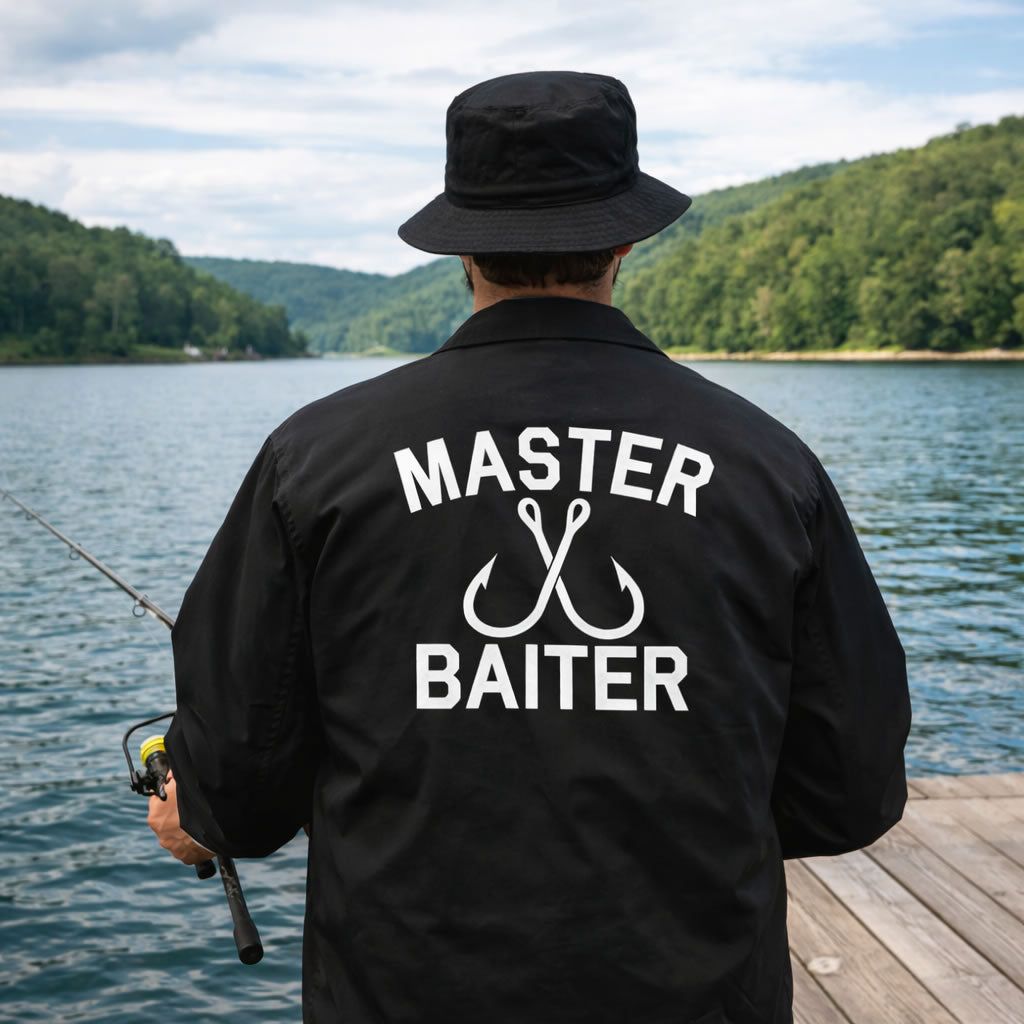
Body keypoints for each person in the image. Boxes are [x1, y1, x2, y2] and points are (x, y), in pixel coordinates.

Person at [149, 71, 911, 1023]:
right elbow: (851, 787)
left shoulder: (316, 462)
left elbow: (239, 790)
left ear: (459, 246)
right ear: (627, 236)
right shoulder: (768, 467)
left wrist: (201, 804)